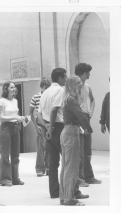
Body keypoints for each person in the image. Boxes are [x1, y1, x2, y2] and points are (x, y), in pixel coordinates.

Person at [37, 68, 88, 200]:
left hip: (48, 127)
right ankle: (73, 191)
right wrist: (51, 127)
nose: (66, 80)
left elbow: (38, 113)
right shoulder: (60, 90)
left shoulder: (44, 92)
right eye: (65, 77)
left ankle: (55, 191)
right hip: (59, 127)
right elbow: (54, 109)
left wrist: (46, 126)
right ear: (60, 78)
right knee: (70, 162)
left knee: (53, 162)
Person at [59, 76, 93, 206]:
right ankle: (69, 198)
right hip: (71, 132)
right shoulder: (72, 100)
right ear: (72, 85)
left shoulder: (68, 99)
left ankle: (65, 196)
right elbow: (81, 116)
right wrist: (88, 128)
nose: (80, 85)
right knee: (71, 168)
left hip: (68, 131)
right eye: (78, 83)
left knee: (66, 167)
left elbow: (79, 114)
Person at [75, 63, 101, 185]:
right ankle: (79, 178)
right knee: (79, 150)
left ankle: (88, 176)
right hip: (78, 118)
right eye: (87, 72)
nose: (89, 74)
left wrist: (91, 111)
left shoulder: (88, 87)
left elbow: (93, 100)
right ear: (81, 73)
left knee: (87, 150)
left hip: (86, 117)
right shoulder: (75, 86)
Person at [0, 81, 25, 187]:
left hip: (15, 127)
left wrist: (21, 118)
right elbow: (0, 117)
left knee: (15, 155)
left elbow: (15, 115)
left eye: (14, 87)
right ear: (6, 89)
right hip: (5, 128)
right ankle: (5, 179)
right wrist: (15, 117)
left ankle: (15, 178)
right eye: (11, 87)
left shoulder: (15, 101)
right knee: (5, 155)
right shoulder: (2, 101)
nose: (14, 89)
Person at [29, 78, 51, 177]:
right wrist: (35, 126)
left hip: (49, 123)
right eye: (45, 88)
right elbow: (31, 113)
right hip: (40, 124)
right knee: (41, 147)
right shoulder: (36, 97)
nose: (46, 90)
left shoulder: (51, 96)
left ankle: (48, 167)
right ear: (41, 87)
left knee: (49, 147)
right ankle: (40, 168)